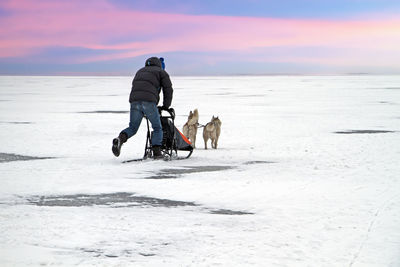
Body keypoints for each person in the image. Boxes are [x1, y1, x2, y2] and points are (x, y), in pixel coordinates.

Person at [112, 57, 173, 159]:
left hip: (134, 101)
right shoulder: (161, 72)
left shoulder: (140, 71)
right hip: (149, 102)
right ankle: (157, 153)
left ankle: (120, 139)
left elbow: (137, 86)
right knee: (157, 128)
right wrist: (166, 106)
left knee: (133, 128)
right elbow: (168, 90)